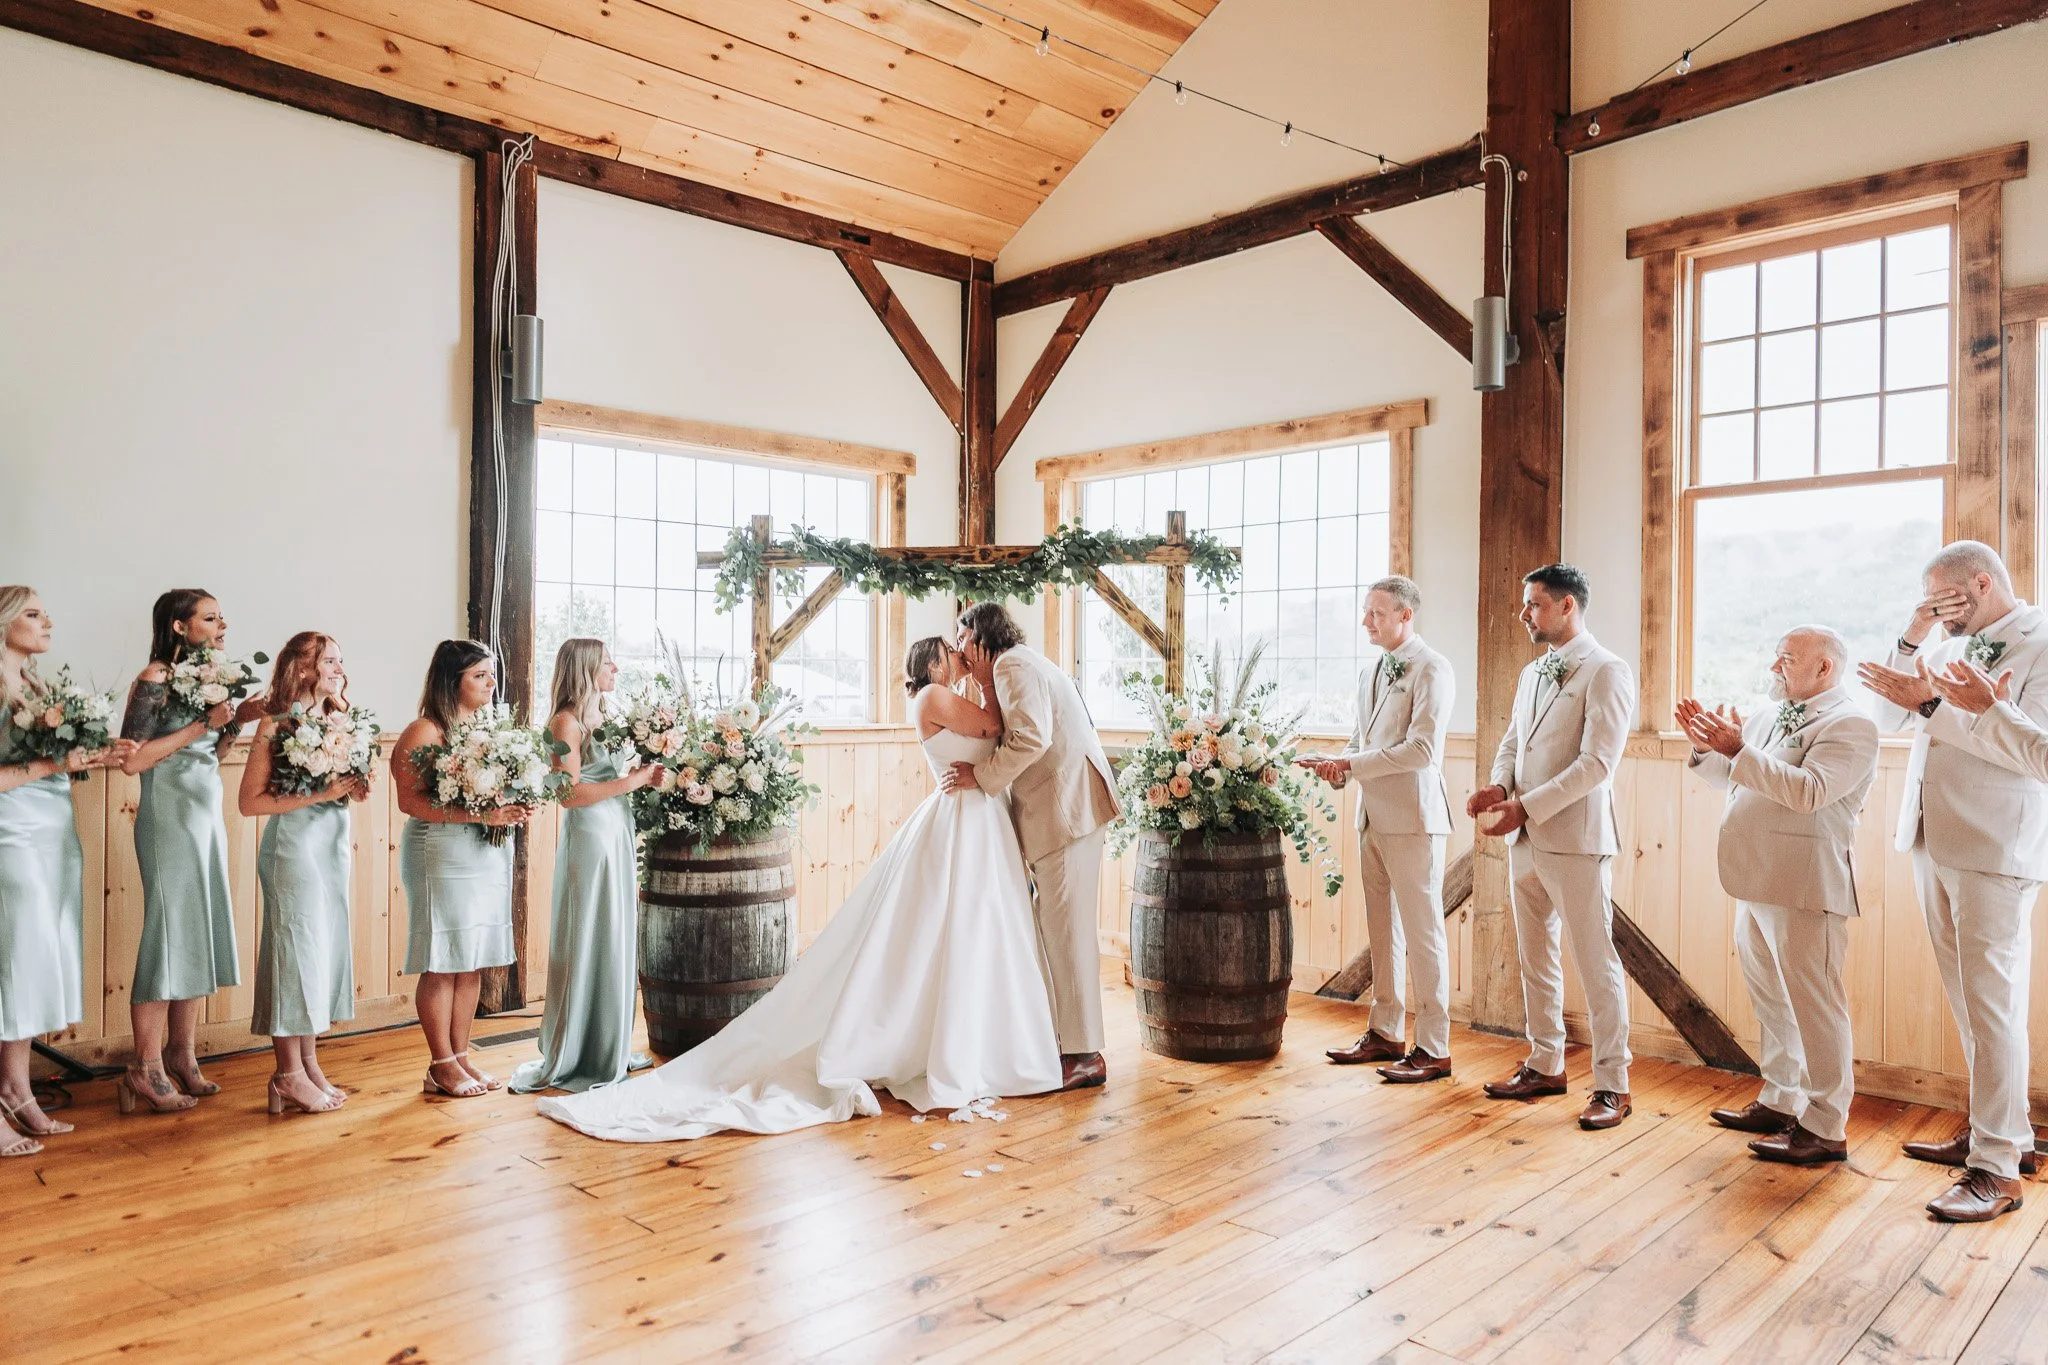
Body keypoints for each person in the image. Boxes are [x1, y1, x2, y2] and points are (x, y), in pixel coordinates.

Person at [537, 637, 1061, 1140]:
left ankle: (974, 1040)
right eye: (953, 651)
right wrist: (990, 677)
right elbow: (994, 726)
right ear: (935, 662)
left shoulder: (946, 695)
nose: (961, 654)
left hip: (975, 818)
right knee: (959, 927)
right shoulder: (937, 694)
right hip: (964, 817)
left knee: (974, 930)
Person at [1858, 540, 2047, 1222]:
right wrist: (1913, 637)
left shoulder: (2042, 642)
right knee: (1971, 1003)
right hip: (1931, 839)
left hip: (1997, 846)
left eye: (1944, 599)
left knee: (1993, 1004)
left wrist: (1947, 710)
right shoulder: (1939, 648)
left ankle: (1996, 1170)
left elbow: (2041, 753)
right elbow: (1883, 719)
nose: (1937, 611)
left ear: (1982, 582)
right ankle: (2004, 1131)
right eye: (1929, 603)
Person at [1678, 627, 1878, 1166]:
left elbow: (1808, 792)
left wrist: (1736, 748)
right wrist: (1706, 749)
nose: (1775, 668)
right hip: (1755, 877)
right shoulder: (1769, 717)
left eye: (1786, 660)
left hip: (1807, 882)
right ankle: (1780, 1096)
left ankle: (1826, 1125)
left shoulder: (1852, 724)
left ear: (1824, 669)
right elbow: (1738, 779)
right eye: (1775, 658)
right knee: (1770, 997)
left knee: (1817, 1005)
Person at [1469, 564, 1636, 1130]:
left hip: (1577, 839)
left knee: (1596, 963)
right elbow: (1512, 742)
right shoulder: (1531, 673)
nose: (1524, 614)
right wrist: (1498, 785)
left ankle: (1613, 1084)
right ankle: (1545, 1062)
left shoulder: (1608, 671)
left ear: (1568, 607)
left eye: (1534, 604)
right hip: (1524, 839)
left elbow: (1596, 765)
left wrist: (1526, 805)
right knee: (1535, 955)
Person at [938, 602, 1121, 1092]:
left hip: (1068, 810)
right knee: (1054, 930)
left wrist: (980, 777)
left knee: (1068, 934)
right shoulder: (1009, 666)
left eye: (961, 639)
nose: (958, 651)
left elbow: (1033, 737)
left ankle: (1085, 1056)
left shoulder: (1011, 663)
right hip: (1063, 810)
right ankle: (1064, 1042)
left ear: (982, 636)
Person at [118, 589, 266, 1114]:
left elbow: (214, 751)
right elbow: (133, 761)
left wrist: (237, 719)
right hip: (168, 820)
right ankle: (145, 1066)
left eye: (222, 615)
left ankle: (182, 1055)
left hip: (204, 818)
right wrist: (204, 722)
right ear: (179, 627)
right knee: (167, 934)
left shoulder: (213, 679)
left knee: (197, 931)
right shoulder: (156, 676)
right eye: (209, 617)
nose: (222, 624)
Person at [0, 587, 135, 1155]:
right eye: (33, 612)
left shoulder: (36, 687)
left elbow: (54, 762)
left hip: (54, 833)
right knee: (10, 965)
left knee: (32, 964)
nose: (47, 620)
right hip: (13, 837)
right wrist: (57, 761)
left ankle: (17, 1089)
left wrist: (98, 754)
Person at [1310, 576, 1456, 1082]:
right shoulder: (1371, 670)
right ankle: (1386, 1030)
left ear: (1405, 615)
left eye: (1377, 613)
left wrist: (1350, 764)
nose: (1366, 621)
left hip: (1415, 818)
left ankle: (1435, 1047)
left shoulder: (1432, 668)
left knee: (1423, 933)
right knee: (1382, 930)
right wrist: (1336, 767)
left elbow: (1422, 751)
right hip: (1371, 815)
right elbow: (1362, 739)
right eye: (1366, 611)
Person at [511, 639, 661, 1094]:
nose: (615, 667)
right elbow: (568, 794)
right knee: (591, 932)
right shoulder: (564, 723)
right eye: (606, 662)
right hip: (591, 835)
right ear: (586, 669)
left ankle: (609, 1045)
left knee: (614, 933)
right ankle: (580, 1050)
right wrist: (631, 780)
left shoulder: (603, 718)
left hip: (616, 829)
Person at [238, 633, 370, 1116]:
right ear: (304, 667)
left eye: (340, 658)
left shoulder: (339, 718)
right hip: (293, 850)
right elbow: (249, 802)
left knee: (319, 955)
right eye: (330, 660)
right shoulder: (277, 722)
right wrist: (320, 793)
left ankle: (310, 1063)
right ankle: (286, 1074)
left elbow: (338, 787)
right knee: (293, 955)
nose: (339, 667)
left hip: (331, 847)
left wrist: (354, 787)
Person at [391, 640, 530, 1100]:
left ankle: (460, 1054)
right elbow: (410, 801)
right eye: (480, 676)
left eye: (491, 675)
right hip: (440, 852)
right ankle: (440, 1063)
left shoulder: (490, 730)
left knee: (471, 959)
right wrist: (481, 815)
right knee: (443, 958)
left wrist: (513, 799)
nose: (491, 684)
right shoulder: (425, 732)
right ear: (453, 681)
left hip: (484, 852)